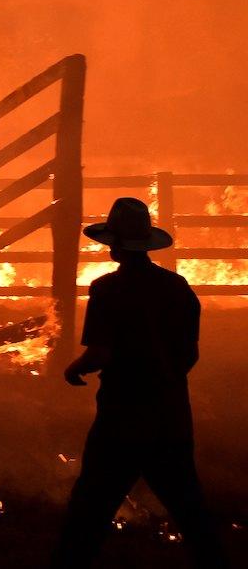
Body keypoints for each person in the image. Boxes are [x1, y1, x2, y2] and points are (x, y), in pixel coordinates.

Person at [52, 197, 227, 568]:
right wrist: (166, 379)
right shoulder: (177, 287)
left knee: (91, 503)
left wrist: (74, 369)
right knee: (188, 504)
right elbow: (189, 354)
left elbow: (100, 353)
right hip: (170, 412)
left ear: (115, 244)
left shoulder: (107, 290)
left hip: (122, 414)